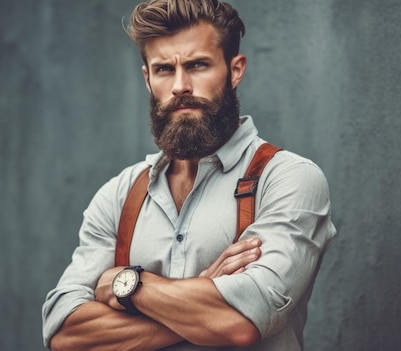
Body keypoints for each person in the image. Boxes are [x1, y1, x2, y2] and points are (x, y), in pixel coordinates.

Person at [42, 0, 336, 350]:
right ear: (148, 78)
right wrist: (204, 296)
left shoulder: (287, 179)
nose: (180, 85)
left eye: (197, 65)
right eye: (164, 69)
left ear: (235, 69)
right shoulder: (119, 195)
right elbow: (66, 335)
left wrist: (128, 284)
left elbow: (240, 322)